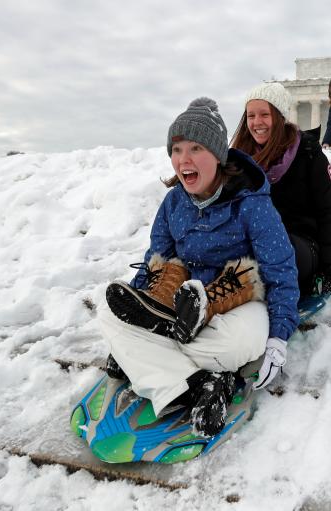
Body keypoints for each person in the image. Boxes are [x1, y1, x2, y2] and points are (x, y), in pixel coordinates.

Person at [101, 97, 300, 437]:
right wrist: (135, 308)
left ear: (218, 155)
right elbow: (155, 261)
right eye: (177, 149)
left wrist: (279, 338)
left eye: (196, 148)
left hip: (237, 303)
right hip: (179, 309)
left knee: (236, 344)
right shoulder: (173, 202)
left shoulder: (252, 203)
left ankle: (152, 362)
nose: (184, 159)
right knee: (107, 316)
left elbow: (281, 271)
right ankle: (202, 383)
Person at [231, 82, 331, 297]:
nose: (256, 122)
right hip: (251, 243)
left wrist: (328, 265)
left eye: (264, 114)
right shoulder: (239, 159)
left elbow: (326, 211)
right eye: (251, 115)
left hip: (299, 243)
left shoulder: (308, 154)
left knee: (271, 246)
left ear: (280, 116)